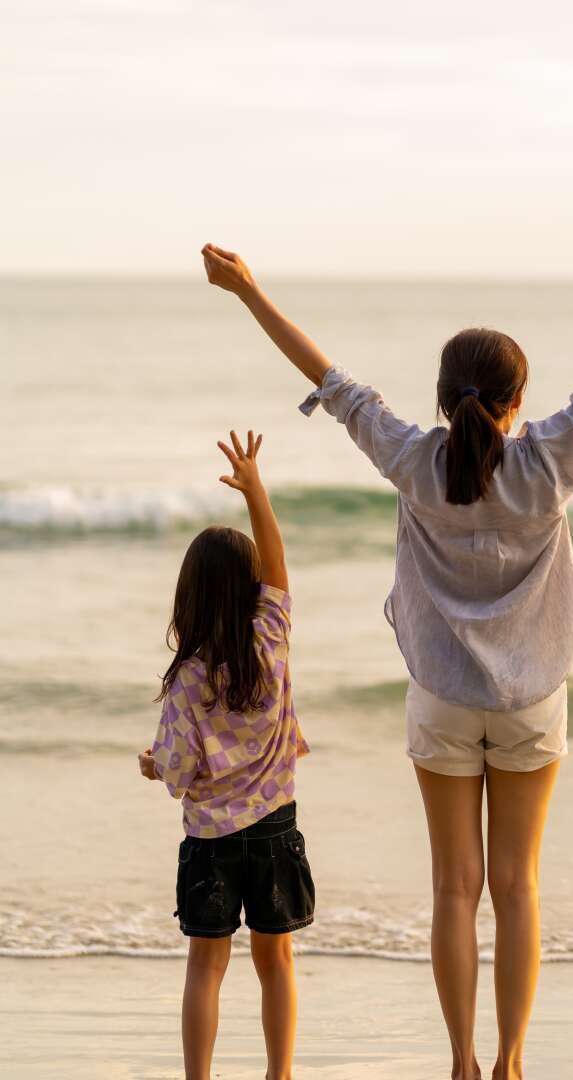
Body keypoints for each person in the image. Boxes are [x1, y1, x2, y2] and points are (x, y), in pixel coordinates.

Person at [198, 219, 573, 1080]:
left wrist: (248, 292)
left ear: (441, 396)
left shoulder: (412, 459)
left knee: (454, 889)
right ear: (515, 398)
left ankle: (460, 1063)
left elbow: (329, 378)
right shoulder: (550, 458)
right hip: (533, 700)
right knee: (517, 888)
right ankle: (509, 1064)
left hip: (442, 700)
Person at [139, 430, 314, 1080]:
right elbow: (279, 562)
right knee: (278, 962)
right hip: (274, 829)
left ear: (190, 596)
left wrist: (156, 763)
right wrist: (256, 490)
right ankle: (280, 1073)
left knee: (206, 969)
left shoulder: (187, 679)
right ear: (252, 591)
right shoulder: (272, 640)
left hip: (212, 840)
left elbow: (180, 770)